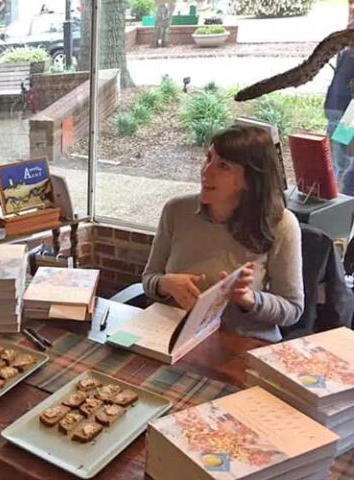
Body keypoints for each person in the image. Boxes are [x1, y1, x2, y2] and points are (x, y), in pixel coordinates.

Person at [142, 125, 304, 342]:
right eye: (208, 159)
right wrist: (164, 284)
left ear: (249, 179)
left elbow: (292, 309)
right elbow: (149, 278)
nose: (206, 172)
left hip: (240, 343)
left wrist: (249, 299)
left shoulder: (281, 224)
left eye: (223, 166)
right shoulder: (176, 210)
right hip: (175, 337)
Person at [324, 4, 354, 194]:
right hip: (337, 111)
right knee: (337, 164)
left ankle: (342, 205)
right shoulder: (345, 50)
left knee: (343, 165)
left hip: (349, 113)